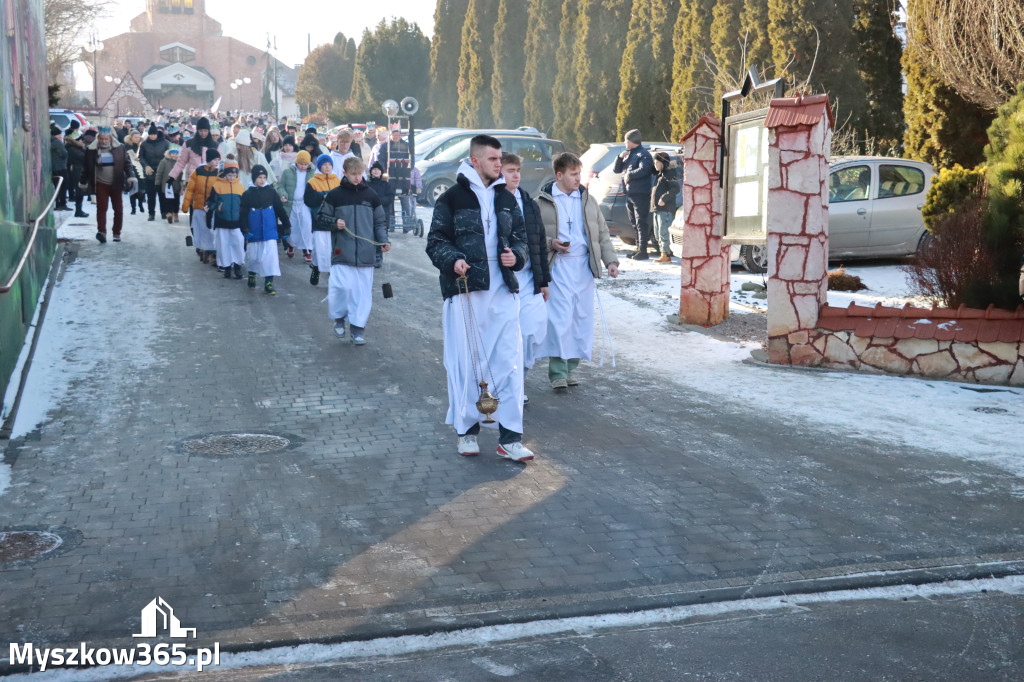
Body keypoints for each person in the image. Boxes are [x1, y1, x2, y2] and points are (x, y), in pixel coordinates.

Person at [425, 134, 533, 462]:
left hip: (503, 293)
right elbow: (435, 241)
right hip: (465, 294)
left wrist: (517, 255)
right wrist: (453, 259)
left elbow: (521, 239)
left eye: (500, 160)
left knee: (509, 366)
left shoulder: (506, 199)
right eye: (493, 160)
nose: (499, 165)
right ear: (475, 161)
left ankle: (510, 438)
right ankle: (467, 431)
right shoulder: (452, 198)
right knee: (466, 365)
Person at [536, 151, 620, 390]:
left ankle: (572, 368)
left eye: (579, 173)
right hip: (559, 266)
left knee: (580, 318)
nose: (578, 179)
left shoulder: (587, 200)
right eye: (573, 174)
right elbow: (531, 235)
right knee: (559, 319)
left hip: (583, 267)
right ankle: (557, 372)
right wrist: (550, 242)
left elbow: (601, 233)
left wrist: (610, 261)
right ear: (559, 175)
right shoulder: (542, 201)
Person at [315, 156, 390, 345]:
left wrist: (383, 240)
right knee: (340, 288)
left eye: (360, 174)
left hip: (366, 254)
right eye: (353, 174)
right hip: (342, 251)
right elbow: (321, 218)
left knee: (362, 294)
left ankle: (357, 329)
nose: (357, 178)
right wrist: (334, 222)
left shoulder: (371, 195)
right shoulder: (335, 195)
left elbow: (380, 221)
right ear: (345, 173)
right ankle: (339, 319)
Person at [500, 152, 551, 405]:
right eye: (510, 170)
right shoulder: (493, 202)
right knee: (509, 337)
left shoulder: (529, 203)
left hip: (529, 280)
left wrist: (543, 281)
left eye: (518, 170)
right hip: (503, 283)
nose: (516, 175)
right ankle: (510, 385)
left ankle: (519, 378)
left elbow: (539, 243)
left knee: (535, 333)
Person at [80, 126, 139, 243]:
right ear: (98, 138)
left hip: (116, 182)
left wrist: (131, 176)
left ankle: (116, 232)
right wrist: (83, 181)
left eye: (106, 139)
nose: (103, 141)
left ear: (110, 138)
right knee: (101, 208)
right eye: (101, 139)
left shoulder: (119, 148)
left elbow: (127, 163)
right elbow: (86, 167)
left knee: (118, 209)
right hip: (100, 183)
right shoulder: (91, 150)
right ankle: (101, 232)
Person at [242, 165, 291, 295]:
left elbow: (279, 209)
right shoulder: (247, 194)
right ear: (254, 178)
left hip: (269, 230)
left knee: (270, 258)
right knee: (254, 256)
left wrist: (286, 225)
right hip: (254, 230)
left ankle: (269, 282)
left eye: (264, 177)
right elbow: (243, 213)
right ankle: (252, 274)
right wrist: (245, 228)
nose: (262, 180)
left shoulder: (271, 192)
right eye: (259, 177)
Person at [612, 128, 654, 259]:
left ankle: (643, 251)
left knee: (641, 222)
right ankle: (638, 249)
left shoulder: (643, 154)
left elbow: (645, 169)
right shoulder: (629, 154)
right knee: (634, 223)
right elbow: (616, 169)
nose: (624, 143)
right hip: (630, 194)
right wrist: (620, 158)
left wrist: (630, 174)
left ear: (631, 141)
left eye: (626, 140)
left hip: (640, 193)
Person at [303, 154, 341, 284]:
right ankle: (316, 267)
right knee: (320, 248)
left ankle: (333, 274)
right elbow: (308, 200)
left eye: (329, 165)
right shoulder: (312, 182)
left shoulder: (338, 181)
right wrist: (322, 196)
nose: (327, 167)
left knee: (333, 249)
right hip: (319, 220)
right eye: (324, 165)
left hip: (334, 221)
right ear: (319, 166)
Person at [206, 160, 246, 279]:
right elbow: (211, 200)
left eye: (234, 175)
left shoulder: (240, 186)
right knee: (223, 245)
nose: (232, 178)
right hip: (222, 221)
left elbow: (243, 205)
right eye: (229, 175)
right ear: (224, 174)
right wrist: (210, 207)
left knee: (238, 243)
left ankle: (238, 266)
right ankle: (227, 267)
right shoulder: (217, 186)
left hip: (236, 222)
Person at [181, 149, 221, 263]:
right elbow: (190, 189)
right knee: (201, 230)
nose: (217, 162)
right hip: (198, 206)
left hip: (212, 207)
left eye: (218, 159)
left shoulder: (218, 173)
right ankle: (204, 250)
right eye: (215, 159)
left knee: (211, 230)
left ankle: (213, 253)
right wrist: (185, 205)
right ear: (209, 159)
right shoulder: (198, 171)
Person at [277, 149, 315, 261]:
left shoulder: (312, 173)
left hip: (305, 204)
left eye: (305, 164)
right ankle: (291, 246)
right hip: (291, 204)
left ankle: (308, 250)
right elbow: (280, 186)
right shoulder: (287, 172)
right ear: (296, 162)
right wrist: (283, 194)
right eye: (301, 164)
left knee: (307, 226)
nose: (303, 166)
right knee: (292, 226)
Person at [169, 116, 217, 186]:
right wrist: (172, 176)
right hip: (193, 180)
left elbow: (219, 163)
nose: (203, 133)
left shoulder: (214, 145)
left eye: (205, 131)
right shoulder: (189, 144)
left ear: (209, 131)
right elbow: (181, 162)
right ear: (197, 131)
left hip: (210, 180)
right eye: (201, 131)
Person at [650, 151, 679, 263]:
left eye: (657, 162)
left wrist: (664, 198)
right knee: (657, 233)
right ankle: (663, 252)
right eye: (654, 162)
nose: (655, 165)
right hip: (657, 208)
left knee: (663, 232)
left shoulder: (669, 174)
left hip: (665, 209)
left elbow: (675, 189)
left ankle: (666, 254)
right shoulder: (660, 174)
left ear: (663, 163)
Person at [139, 122, 169, 221]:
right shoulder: (144, 144)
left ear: (157, 134)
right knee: (151, 194)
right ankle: (151, 213)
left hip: (162, 172)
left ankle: (164, 211)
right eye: (151, 134)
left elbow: (169, 155)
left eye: (154, 134)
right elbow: (141, 157)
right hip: (150, 172)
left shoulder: (165, 143)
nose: (152, 136)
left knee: (162, 193)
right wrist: (146, 166)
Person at [64, 122, 89, 217]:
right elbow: (83, 157)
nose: (83, 142)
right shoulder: (72, 148)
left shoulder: (75, 148)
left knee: (80, 191)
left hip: (78, 170)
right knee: (79, 190)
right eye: (81, 140)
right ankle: (78, 210)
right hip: (76, 170)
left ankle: (79, 209)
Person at [50, 124, 70, 211]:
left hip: (54, 168)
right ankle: (62, 203)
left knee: (56, 186)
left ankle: (58, 203)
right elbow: (64, 154)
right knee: (62, 186)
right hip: (60, 167)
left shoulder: (50, 141)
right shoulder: (57, 143)